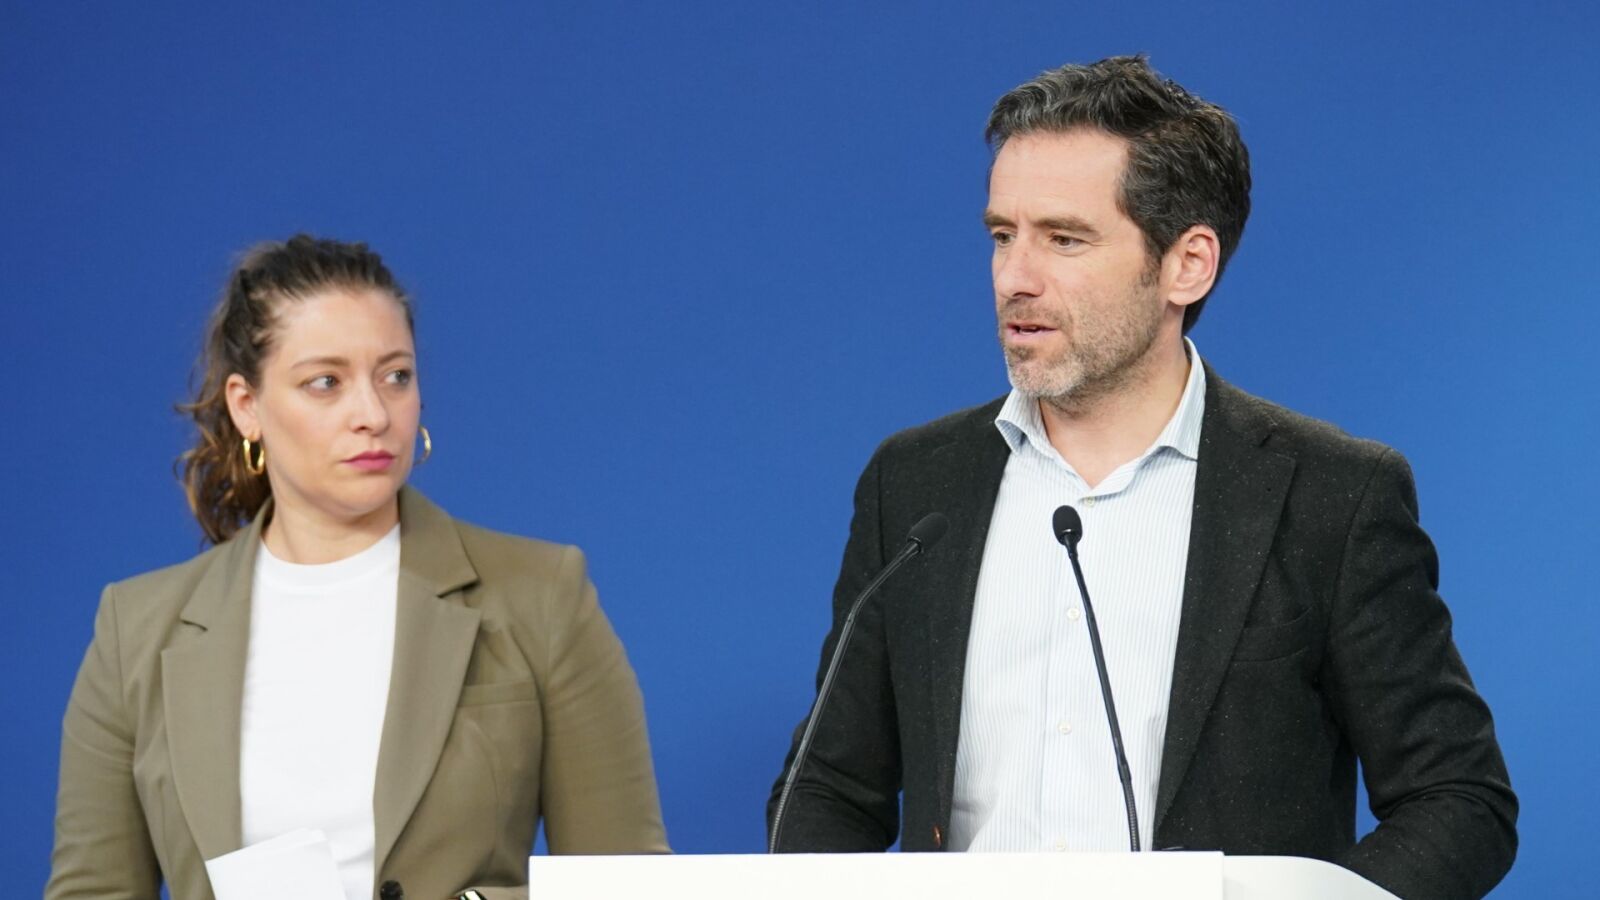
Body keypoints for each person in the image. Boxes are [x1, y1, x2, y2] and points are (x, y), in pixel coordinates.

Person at [768, 56, 1515, 900]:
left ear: (1186, 264)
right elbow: (827, 790)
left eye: (1065, 238)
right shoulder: (914, 484)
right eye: (1003, 235)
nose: (1015, 277)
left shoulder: (1329, 496)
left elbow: (1459, 802)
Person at [48, 236, 667, 900]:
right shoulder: (135, 631)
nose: (373, 415)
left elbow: (629, 885)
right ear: (247, 406)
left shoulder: (542, 595)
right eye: (326, 382)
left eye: (395, 376)